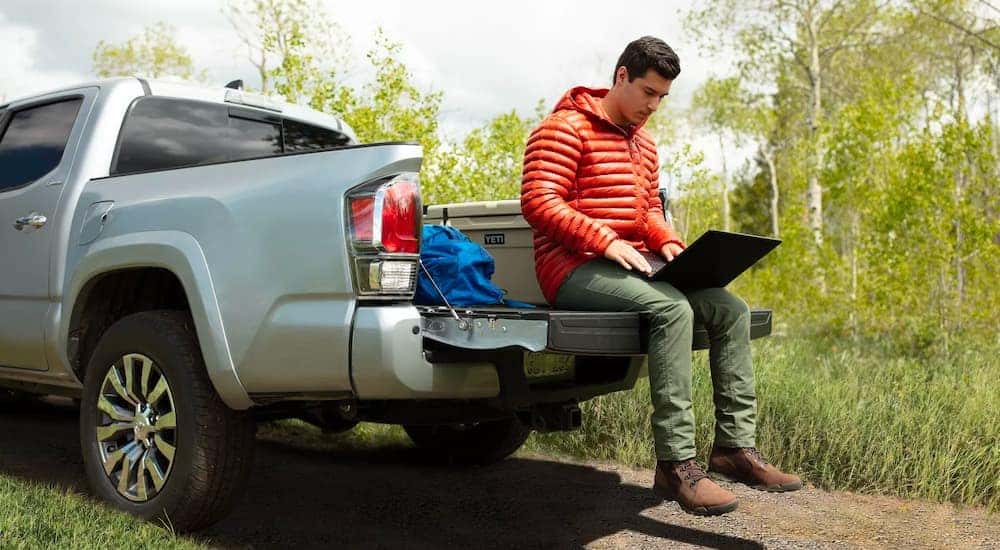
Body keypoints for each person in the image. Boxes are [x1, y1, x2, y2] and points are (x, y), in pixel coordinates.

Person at [520, 36, 802, 516]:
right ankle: (677, 464)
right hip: (573, 267)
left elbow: (647, 210)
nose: (653, 106)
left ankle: (734, 449)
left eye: (663, 98)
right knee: (671, 307)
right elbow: (539, 202)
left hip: (635, 262)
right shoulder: (562, 129)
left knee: (729, 308)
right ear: (622, 76)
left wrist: (669, 241)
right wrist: (604, 240)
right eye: (648, 93)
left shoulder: (644, 145)